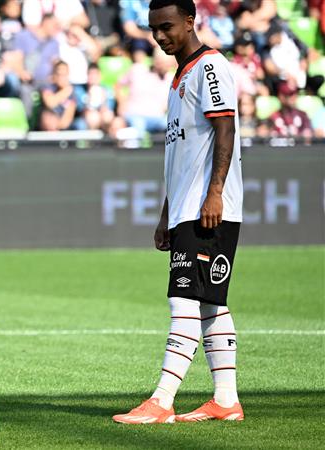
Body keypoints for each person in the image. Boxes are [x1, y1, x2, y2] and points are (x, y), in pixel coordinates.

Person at [113, 0, 244, 424]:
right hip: (186, 208)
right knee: (210, 303)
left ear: (191, 21)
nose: (160, 36)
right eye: (154, 29)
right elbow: (182, 155)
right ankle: (225, 400)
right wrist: (167, 213)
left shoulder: (209, 67)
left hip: (207, 207)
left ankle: (162, 400)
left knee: (184, 298)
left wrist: (215, 193)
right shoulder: (178, 77)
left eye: (167, 27)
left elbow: (226, 128)